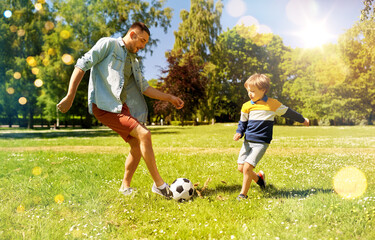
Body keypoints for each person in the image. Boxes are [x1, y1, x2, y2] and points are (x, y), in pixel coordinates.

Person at [57, 22, 184, 198]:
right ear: (132, 34)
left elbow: (145, 88)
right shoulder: (108, 44)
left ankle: (125, 187)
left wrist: (169, 97)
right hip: (104, 104)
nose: (143, 46)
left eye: (146, 43)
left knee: (136, 145)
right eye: (142, 41)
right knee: (145, 135)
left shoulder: (134, 60)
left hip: (120, 106)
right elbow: (82, 64)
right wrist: (70, 96)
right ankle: (159, 185)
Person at [233, 73, 309, 200]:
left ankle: (243, 195)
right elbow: (243, 122)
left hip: (261, 142)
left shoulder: (272, 104)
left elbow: (289, 112)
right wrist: (239, 132)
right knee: (241, 168)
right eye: (248, 91)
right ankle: (260, 180)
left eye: (252, 91)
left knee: (247, 167)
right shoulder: (246, 106)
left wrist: (302, 119)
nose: (249, 94)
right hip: (247, 141)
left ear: (263, 90)